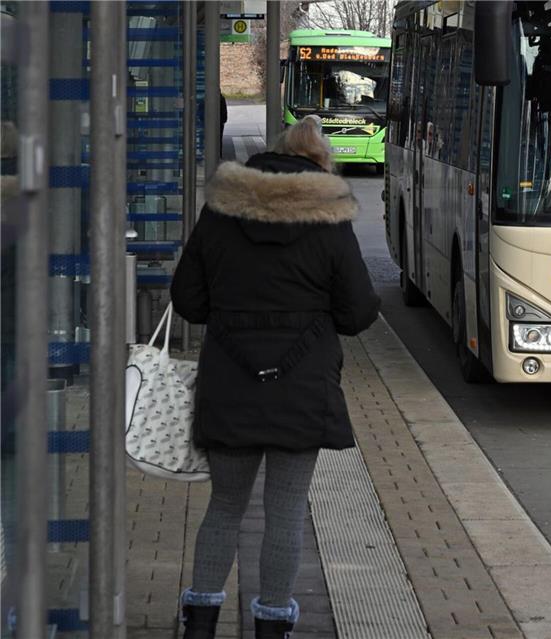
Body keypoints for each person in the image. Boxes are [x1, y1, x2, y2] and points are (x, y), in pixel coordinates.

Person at [171, 114, 380, 639]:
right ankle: (272, 623)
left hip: (230, 380)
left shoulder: (221, 212)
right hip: (301, 387)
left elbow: (188, 301)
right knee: (285, 511)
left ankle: (199, 621)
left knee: (224, 504)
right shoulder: (330, 221)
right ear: (319, 165)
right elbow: (356, 315)